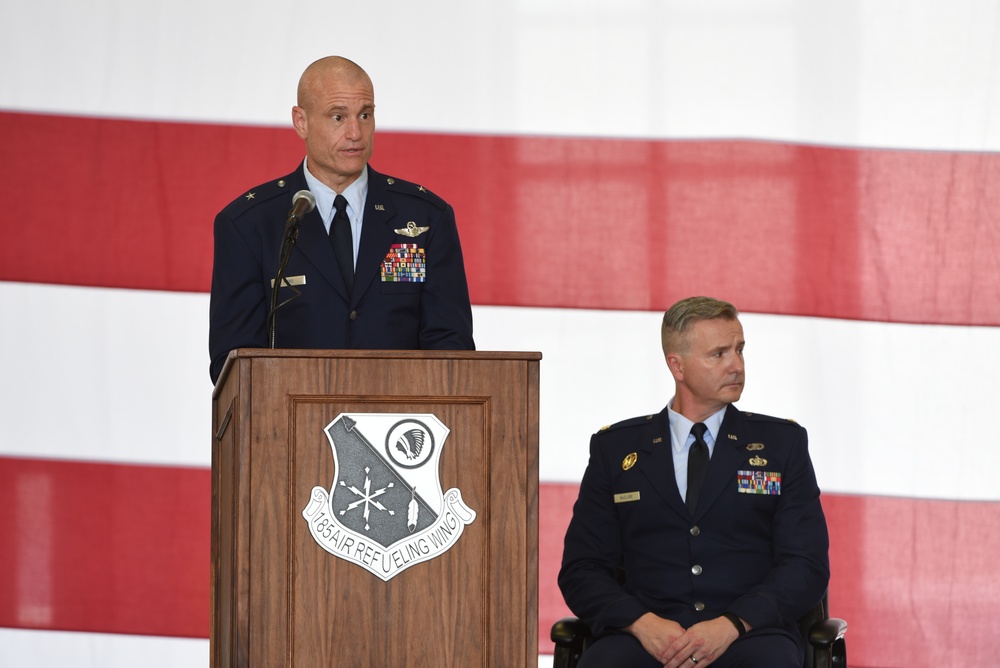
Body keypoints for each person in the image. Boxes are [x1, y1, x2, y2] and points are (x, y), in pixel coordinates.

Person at [558, 296, 829, 668]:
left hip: (749, 636)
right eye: (718, 354)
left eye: (739, 349)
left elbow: (806, 564)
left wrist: (733, 624)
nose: (737, 365)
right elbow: (582, 568)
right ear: (677, 366)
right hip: (645, 638)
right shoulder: (615, 449)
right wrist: (642, 624)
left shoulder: (782, 445)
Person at [209, 56, 475, 383]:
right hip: (289, 424)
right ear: (301, 121)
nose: (355, 133)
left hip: (397, 424)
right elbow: (232, 363)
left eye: (365, 115)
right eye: (338, 116)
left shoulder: (425, 218)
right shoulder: (249, 224)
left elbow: (451, 347)